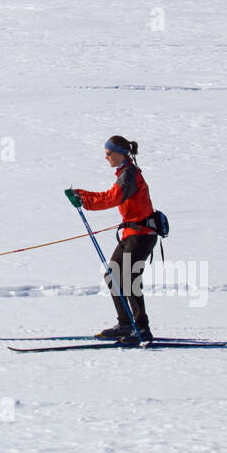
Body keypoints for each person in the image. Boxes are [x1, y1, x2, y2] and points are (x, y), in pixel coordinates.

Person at [65, 136, 158, 344]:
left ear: (120, 153)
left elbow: (113, 198)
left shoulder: (130, 174)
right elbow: (110, 194)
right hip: (131, 234)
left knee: (128, 278)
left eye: (109, 154)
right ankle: (126, 324)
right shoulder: (125, 173)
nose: (106, 158)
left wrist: (85, 202)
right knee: (113, 276)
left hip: (141, 235)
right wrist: (81, 194)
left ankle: (141, 328)